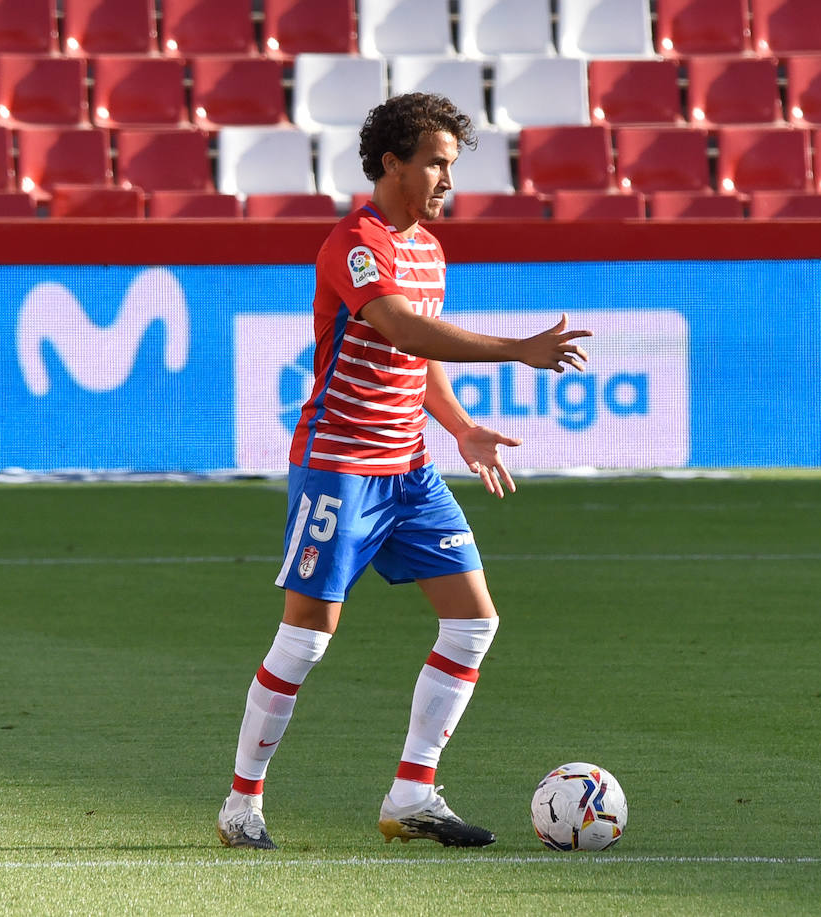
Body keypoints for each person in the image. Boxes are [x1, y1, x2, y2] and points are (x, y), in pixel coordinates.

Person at [216, 93, 592, 850]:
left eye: (452, 165)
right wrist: (517, 348)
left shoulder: (430, 246)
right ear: (392, 162)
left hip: (410, 469)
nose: (448, 179)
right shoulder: (356, 242)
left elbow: (415, 359)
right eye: (437, 164)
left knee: (474, 619)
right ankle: (241, 804)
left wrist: (461, 428)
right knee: (307, 639)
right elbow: (401, 324)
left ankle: (412, 793)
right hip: (341, 468)